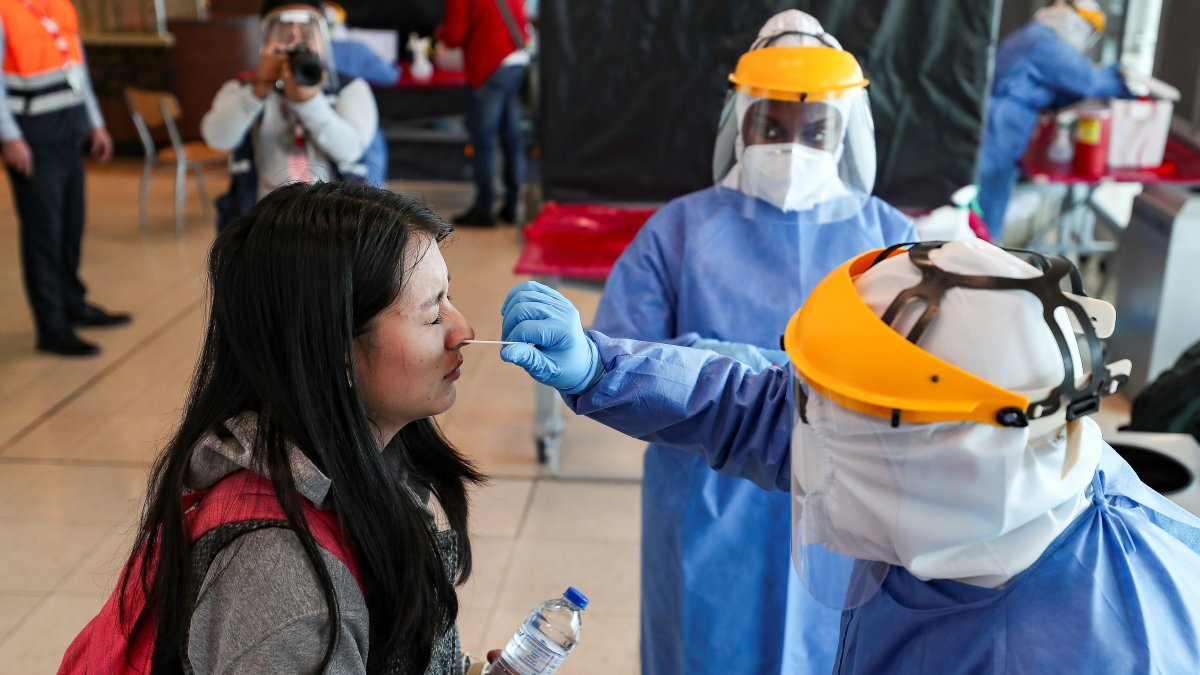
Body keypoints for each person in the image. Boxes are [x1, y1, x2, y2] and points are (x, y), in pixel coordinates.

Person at [497, 237, 1200, 673]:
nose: (807, 431)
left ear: (952, 451)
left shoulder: (1120, 646)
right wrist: (600, 365)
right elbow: (767, 406)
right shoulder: (982, 482)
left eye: (848, 419)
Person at [587, 10, 913, 674]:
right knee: (700, 646)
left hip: (846, 510)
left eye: (814, 128)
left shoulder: (891, 242)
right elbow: (615, 368)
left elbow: (926, 382)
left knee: (833, 648)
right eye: (772, 125)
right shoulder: (676, 232)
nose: (790, 145)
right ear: (741, 123)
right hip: (704, 503)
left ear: (844, 134)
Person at [57, 182, 485, 674]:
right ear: (337, 351)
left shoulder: (367, 461)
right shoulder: (284, 591)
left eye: (449, 296)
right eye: (433, 315)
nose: (464, 331)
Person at [1, 0, 130, 357]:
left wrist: (96, 124)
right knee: (44, 232)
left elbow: (78, 68)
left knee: (72, 226)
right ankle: (51, 326)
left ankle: (74, 303)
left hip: (69, 128)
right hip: (33, 136)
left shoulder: (60, 6)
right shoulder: (5, 10)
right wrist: (9, 136)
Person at [201, 1, 378, 228]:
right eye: (283, 34)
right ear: (264, 41)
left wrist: (308, 103)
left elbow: (350, 150)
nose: (295, 43)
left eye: (306, 34)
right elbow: (217, 138)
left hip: (335, 221)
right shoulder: (242, 88)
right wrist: (258, 90)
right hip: (261, 219)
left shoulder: (349, 88)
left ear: (323, 39)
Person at [976, 0, 1131, 241]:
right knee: (988, 196)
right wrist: (1124, 79)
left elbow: (1055, 88)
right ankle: (980, 259)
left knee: (985, 195)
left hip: (997, 120)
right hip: (1001, 125)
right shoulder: (1045, 44)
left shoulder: (1031, 35)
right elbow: (1089, 80)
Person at [437, 0, 528, 227]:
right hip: (516, 61)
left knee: (484, 141)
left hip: (488, 66)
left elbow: (454, 36)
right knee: (512, 138)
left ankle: (484, 208)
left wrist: (441, 33)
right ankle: (512, 205)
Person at [323, 1, 398, 188]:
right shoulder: (355, 49)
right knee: (370, 193)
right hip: (355, 130)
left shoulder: (296, 54)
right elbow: (390, 75)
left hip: (318, 131)